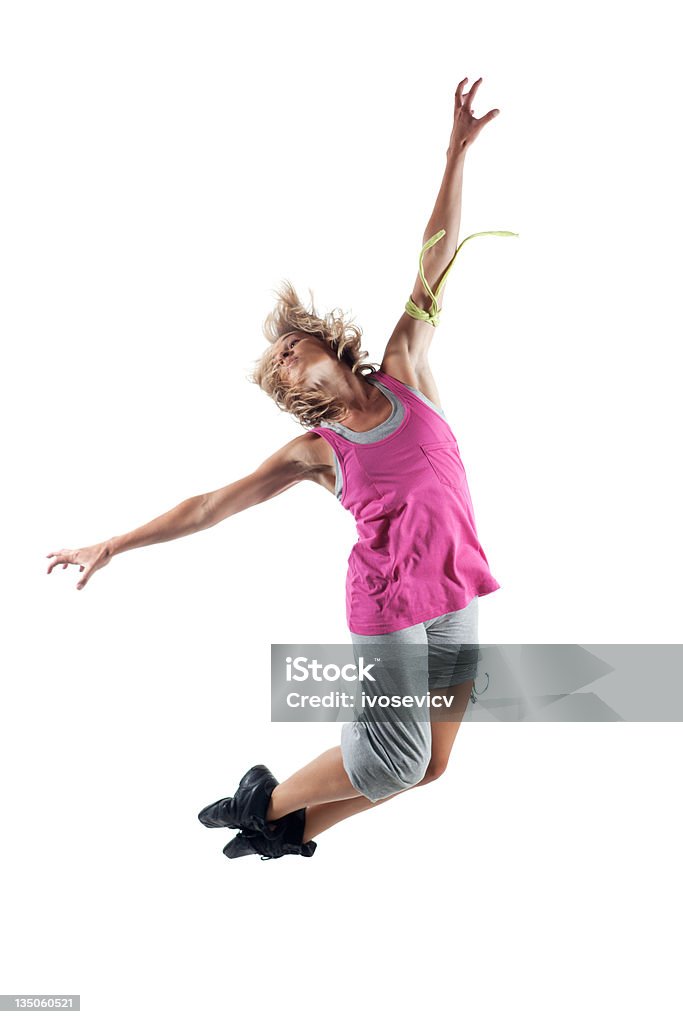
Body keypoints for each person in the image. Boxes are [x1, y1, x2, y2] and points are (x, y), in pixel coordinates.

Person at [46, 76, 517, 861]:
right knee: (390, 760)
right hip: (391, 601)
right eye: (277, 361)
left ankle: (285, 832)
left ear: (329, 345)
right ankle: (262, 800)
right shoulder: (316, 452)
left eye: (291, 340)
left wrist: (454, 155)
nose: (284, 351)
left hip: (458, 579)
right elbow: (209, 507)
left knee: (429, 767)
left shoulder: (405, 369)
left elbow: (431, 265)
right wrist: (113, 544)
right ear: (292, 394)